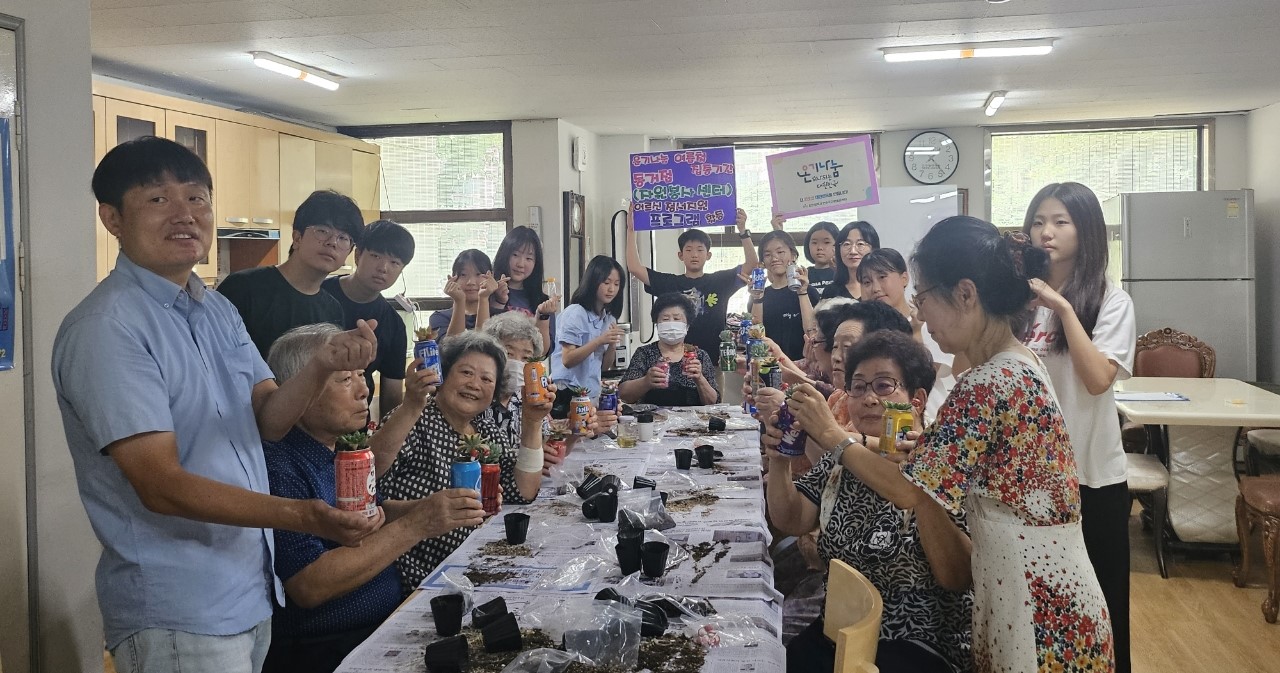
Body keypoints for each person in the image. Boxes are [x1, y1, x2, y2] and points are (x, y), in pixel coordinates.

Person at [55, 136, 381, 673]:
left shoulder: (217, 311)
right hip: (178, 607)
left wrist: (321, 365)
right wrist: (303, 516)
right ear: (112, 218)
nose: (184, 214)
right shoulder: (107, 328)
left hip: (248, 591)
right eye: (158, 200)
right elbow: (160, 484)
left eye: (197, 198)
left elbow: (270, 421)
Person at [785, 216, 1115, 672]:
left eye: (921, 298)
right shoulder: (1021, 362)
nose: (919, 315)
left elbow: (907, 491)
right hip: (1046, 587)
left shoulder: (985, 381)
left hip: (1031, 601)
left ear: (965, 293)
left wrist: (831, 436)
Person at [260, 325, 483, 673]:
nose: (365, 389)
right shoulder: (280, 464)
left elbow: (370, 513)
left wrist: (425, 508)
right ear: (299, 389)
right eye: (345, 380)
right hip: (328, 649)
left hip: (385, 620)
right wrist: (416, 525)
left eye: (362, 376)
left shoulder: (335, 448)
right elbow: (308, 584)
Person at [762, 330, 973, 673]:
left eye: (884, 385)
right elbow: (793, 519)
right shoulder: (844, 462)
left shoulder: (938, 461)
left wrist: (831, 434)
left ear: (916, 400)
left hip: (914, 643)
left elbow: (957, 576)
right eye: (858, 387)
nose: (869, 398)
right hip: (837, 634)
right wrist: (780, 458)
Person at [1023, 182, 1136, 673]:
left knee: (1101, 604)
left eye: (1060, 222)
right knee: (1039, 606)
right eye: (1038, 221)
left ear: (1085, 230)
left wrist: (1063, 308)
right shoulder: (1019, 301)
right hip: (1029, 476)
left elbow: (1096, 381)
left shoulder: (1112, 301)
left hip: (1091, 476)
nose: (1046, 232)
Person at [378, 331, 551, 593]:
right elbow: (370, 496)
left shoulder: (484, 427)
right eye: (466, 373)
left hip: (473, 566)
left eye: (486, 379)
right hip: (420, 577)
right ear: (444, 375)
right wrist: (424, 510)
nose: (474, 384)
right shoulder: (411, 418)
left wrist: (533, 421)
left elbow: (523, 490)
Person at [218, 189, 364, 358]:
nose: (332, 242)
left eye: (343, 238)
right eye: (322, 231)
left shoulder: (332, 309)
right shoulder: (242, 288)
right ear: (297, 238)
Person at [626, 204, 758, 365]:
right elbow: (634, 267)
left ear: (708, 255)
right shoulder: (670, 283)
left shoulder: (720, 281)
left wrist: (743, 231)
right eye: (688, 250)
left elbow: (752, 264)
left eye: (700, 250)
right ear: (680, 255)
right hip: (676, 362)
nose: (694, 254)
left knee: (712, 391)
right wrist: (631, 230)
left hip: (713, 362)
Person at [857, 247, 965, 424]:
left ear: (904, 278)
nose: (875, 288)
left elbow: (942, 371)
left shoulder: (928, 324)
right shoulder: (863, 332)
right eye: (867, 282)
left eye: (882, 277)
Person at [321, 219, 413, 413]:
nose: (383, 268)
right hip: (304, 418)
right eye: (376, 256)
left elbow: (392, 396)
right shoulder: (318, 294)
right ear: (357, 255)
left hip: (354, 430)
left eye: (395, 262)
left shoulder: (393, 324)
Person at [618, 292, 719, 406]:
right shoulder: (644, 353)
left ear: (687, 326)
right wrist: (646, 381)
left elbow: (713, 402)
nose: (671, 324)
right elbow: (623, 394)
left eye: (677, 318)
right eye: (665, 319)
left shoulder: (700, 356)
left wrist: (700, 379)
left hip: (693, 421)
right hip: (654, 421)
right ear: (657, 325)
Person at [550, 255, 626, 401]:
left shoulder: (609, 318)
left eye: (617, 284)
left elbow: (604, 367)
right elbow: (568, 359)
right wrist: (599, 341)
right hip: (566, 392)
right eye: (606, 282)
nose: (612, 289)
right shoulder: (576, 312)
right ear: (593, 282)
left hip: (590, 392)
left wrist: (611, 344)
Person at [747, 230, 818, 362]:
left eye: (780, 252)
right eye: (767, 254)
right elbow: (756, 337)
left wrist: (802, 292)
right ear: (762, 262)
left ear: (793, 256)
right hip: (770, 366)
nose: (774, 258)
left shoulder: (809, 292)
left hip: (805, 366)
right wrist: (757, 298)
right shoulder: (760, 296)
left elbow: (811, 334)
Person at [491, 226, 559, 356]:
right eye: (515, 255)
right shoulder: (488, 293)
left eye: (529, 258)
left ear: (536, 263)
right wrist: (498, 301)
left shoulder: (542, 301)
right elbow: (484, 337)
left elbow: (542, 352)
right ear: (505, 255)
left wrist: (543, 315)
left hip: (528, 373)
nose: (521, 264)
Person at [430, 248, 505, 337]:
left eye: (478, 274)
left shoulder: (500, 317)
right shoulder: (440, 317)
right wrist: (459, 301)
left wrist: (483, 298)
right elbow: (452, 347)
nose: (471, 282)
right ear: (453, 278)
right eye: (463, 275)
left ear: (491, 276)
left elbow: (484, 347)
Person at [771, 216, 840, 296]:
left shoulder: (843, 272)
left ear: (838, 245)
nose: (820, 247)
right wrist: (778, 231)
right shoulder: (802, 274)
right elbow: (775, 279)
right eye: (814, 242)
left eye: (826, 242)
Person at [822, 220, 880, 301]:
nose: (853, 251)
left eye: (860, 244)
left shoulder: (881, 287)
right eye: (847, 244)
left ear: (873, 248)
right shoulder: (831, 292)